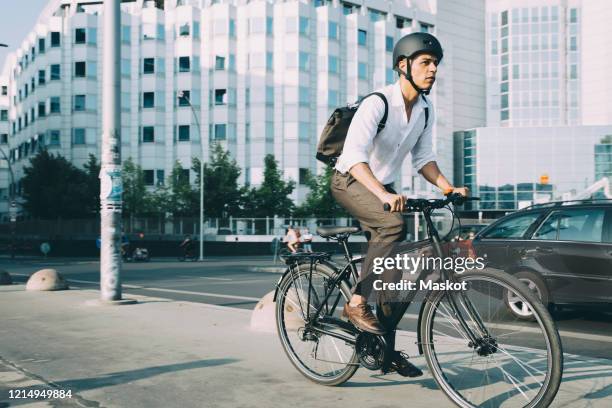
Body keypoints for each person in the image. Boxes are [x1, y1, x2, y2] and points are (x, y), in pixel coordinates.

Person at [330, 32, 469, 377]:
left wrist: (448, 188)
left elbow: (424, 159)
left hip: (382, 187)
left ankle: (383, 349)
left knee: (393, 279)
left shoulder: (424, 109)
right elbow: (353, 157)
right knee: (393, 225)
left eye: (436, 63)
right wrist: (384, 195)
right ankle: (357, 302)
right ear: (403, 66)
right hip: (350, 180)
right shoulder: (378, 103)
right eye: (426, 62)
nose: (433, 69)